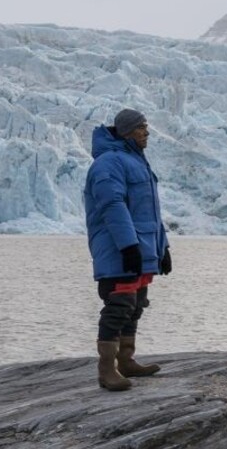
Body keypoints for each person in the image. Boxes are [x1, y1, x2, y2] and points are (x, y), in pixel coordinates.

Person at [84, 108, 172, 391]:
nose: (147, 132)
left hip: (142, 247)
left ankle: (126, 360)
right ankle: (106, 369)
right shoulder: (108, 163)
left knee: (136, 305)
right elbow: (113, 206)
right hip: (118, 248)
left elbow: (150, 212)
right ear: (126, 132)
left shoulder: (137, 161)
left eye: (146, 127)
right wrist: (128, 244)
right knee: (118, 305)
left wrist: (163, 248)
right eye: (141, 127)